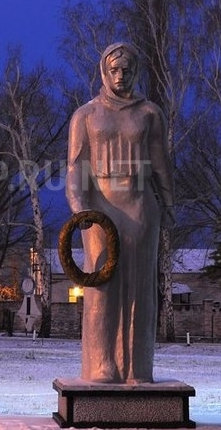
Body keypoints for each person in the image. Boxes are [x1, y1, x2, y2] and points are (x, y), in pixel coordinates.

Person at [64, 42, 172, 383]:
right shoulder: (86, 115)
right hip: (99, 209)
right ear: (104, 71)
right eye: (114, 69)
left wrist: (169, 203)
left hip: (140, 205)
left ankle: (138, 367)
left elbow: (161, 164)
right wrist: (79, 208)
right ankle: (102, 365)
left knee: (141, 288)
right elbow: (75, 168)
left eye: (126, 69)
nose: (120, 76)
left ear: (135, 71)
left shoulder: (149, 114)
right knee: (102, 288)